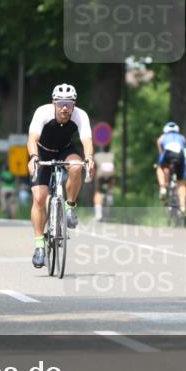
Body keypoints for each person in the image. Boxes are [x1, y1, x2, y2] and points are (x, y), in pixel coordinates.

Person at [27, 83, 94, 268]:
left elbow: (86, 140)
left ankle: (70, 205)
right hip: (42, 152)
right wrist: (33, 157)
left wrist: (89, 158)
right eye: (61, 103)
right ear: (54, 103)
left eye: (69, 103)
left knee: (75, 167)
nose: (65, 107)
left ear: (74, 104)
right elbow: (32, 138)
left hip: (65, 150)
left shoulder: (80, 115)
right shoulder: (42, 113)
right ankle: (40, 245)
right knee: (39, 198)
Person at [155, 121, 186, 216]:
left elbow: (161, 151)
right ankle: (182, 207)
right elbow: (184, 146)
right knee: (181, 182)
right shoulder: (182, 137)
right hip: (180, 155)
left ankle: (163, 188)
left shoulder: (163, 137)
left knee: (160, 167)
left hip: (168, 153)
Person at [92, 152, 116, 222]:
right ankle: (110, 197)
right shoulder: (111, 155)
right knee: (110, 186)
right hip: (111, 174)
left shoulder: (96, 156)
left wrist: (92, 177)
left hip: (101, 175)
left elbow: (93, 168)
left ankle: (98, 215)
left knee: (98, 192)